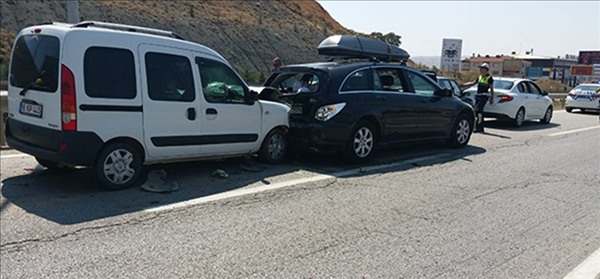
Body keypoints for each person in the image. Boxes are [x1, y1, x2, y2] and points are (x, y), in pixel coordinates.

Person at [461, 63, 495, 133]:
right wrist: (463, 85)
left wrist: (492, 98)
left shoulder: (489, 78)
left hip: (484, 96)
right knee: (479, 112)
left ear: (486, 70)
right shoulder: (480, 77)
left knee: (478, 111)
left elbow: (491, 89)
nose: (481, 70)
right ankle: (481, 127)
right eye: (480, 68)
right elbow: (473, 83)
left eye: (482, 68)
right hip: (478, 95)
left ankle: (477, 127)